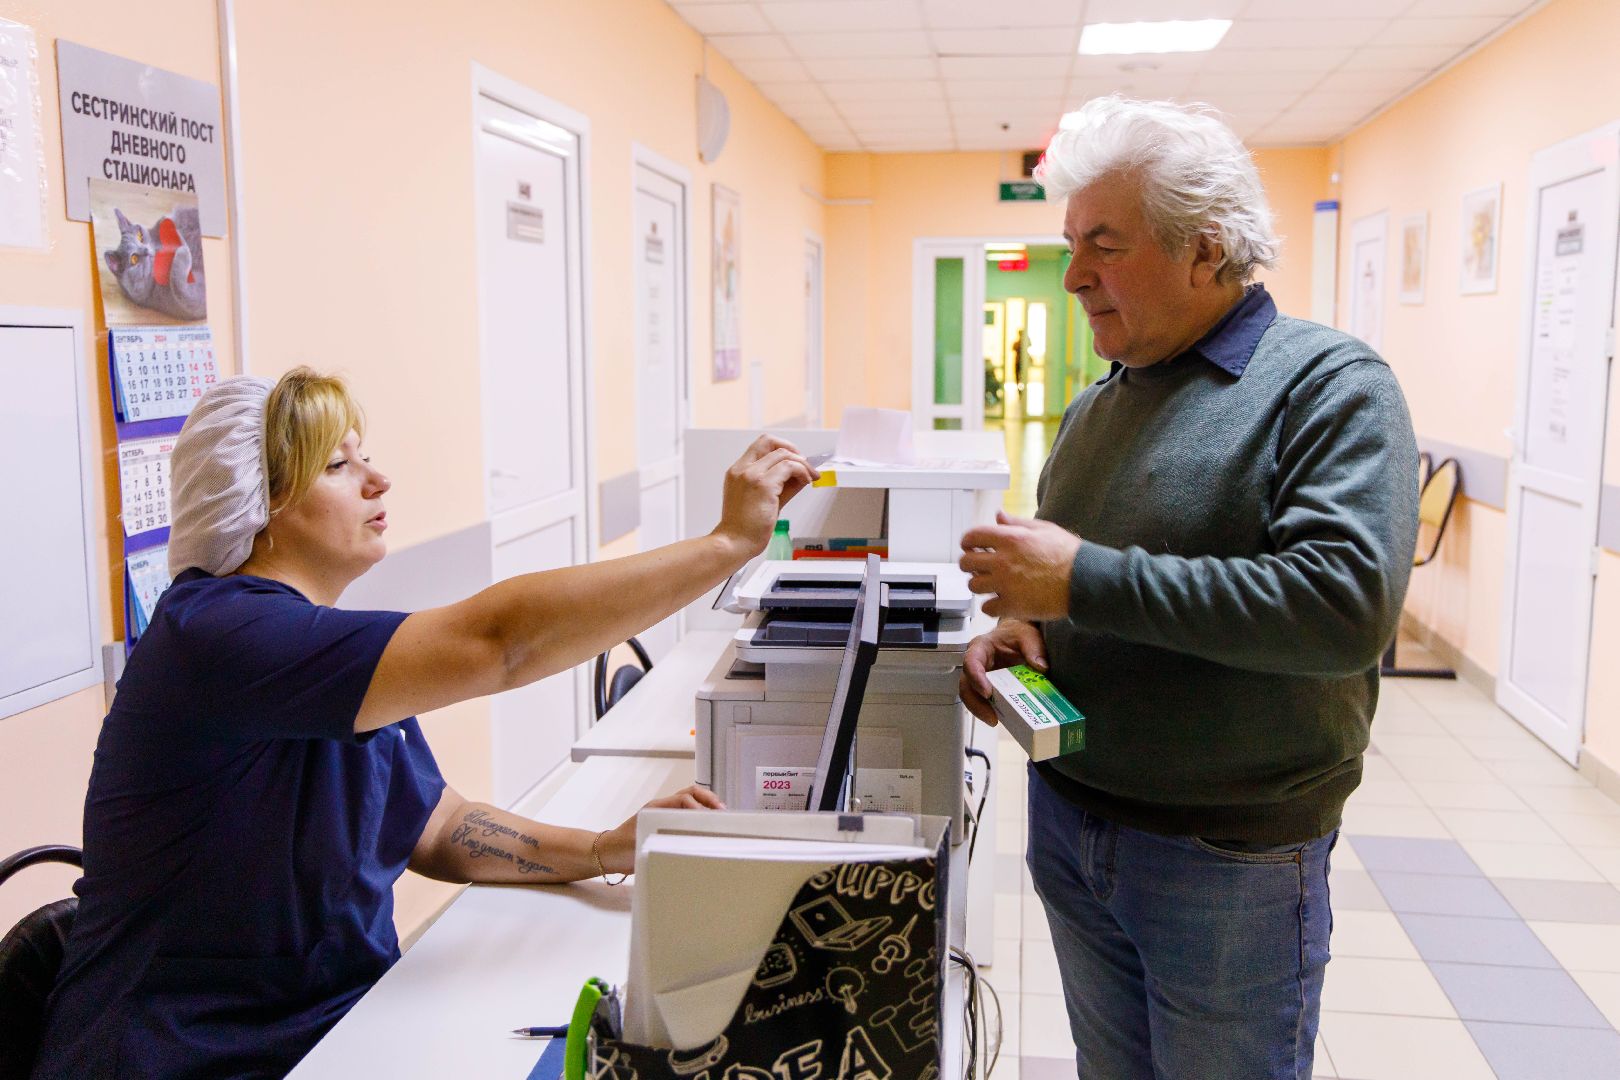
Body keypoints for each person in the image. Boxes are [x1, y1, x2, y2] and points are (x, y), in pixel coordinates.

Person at [32, 368, 817, 1079]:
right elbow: (499, 644)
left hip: (337, 1031)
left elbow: (436, 824)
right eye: (338, 466)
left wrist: (606, 849)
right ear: (258, 504)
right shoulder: (218, 637)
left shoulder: (313, 651)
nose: (378, 479)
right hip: (188, 1058)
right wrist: (725, 545)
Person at [957, 97, 1419, 1079]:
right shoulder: (1097, 408)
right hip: (1075, 824)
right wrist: (1030, 633)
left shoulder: (1330, 388)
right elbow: (1087, 598)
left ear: (1206, 250)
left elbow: (1341, 607)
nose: (1075, 274)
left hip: (1227, 862)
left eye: (1104, 245)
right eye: (1071, 243)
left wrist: (1079, 580)